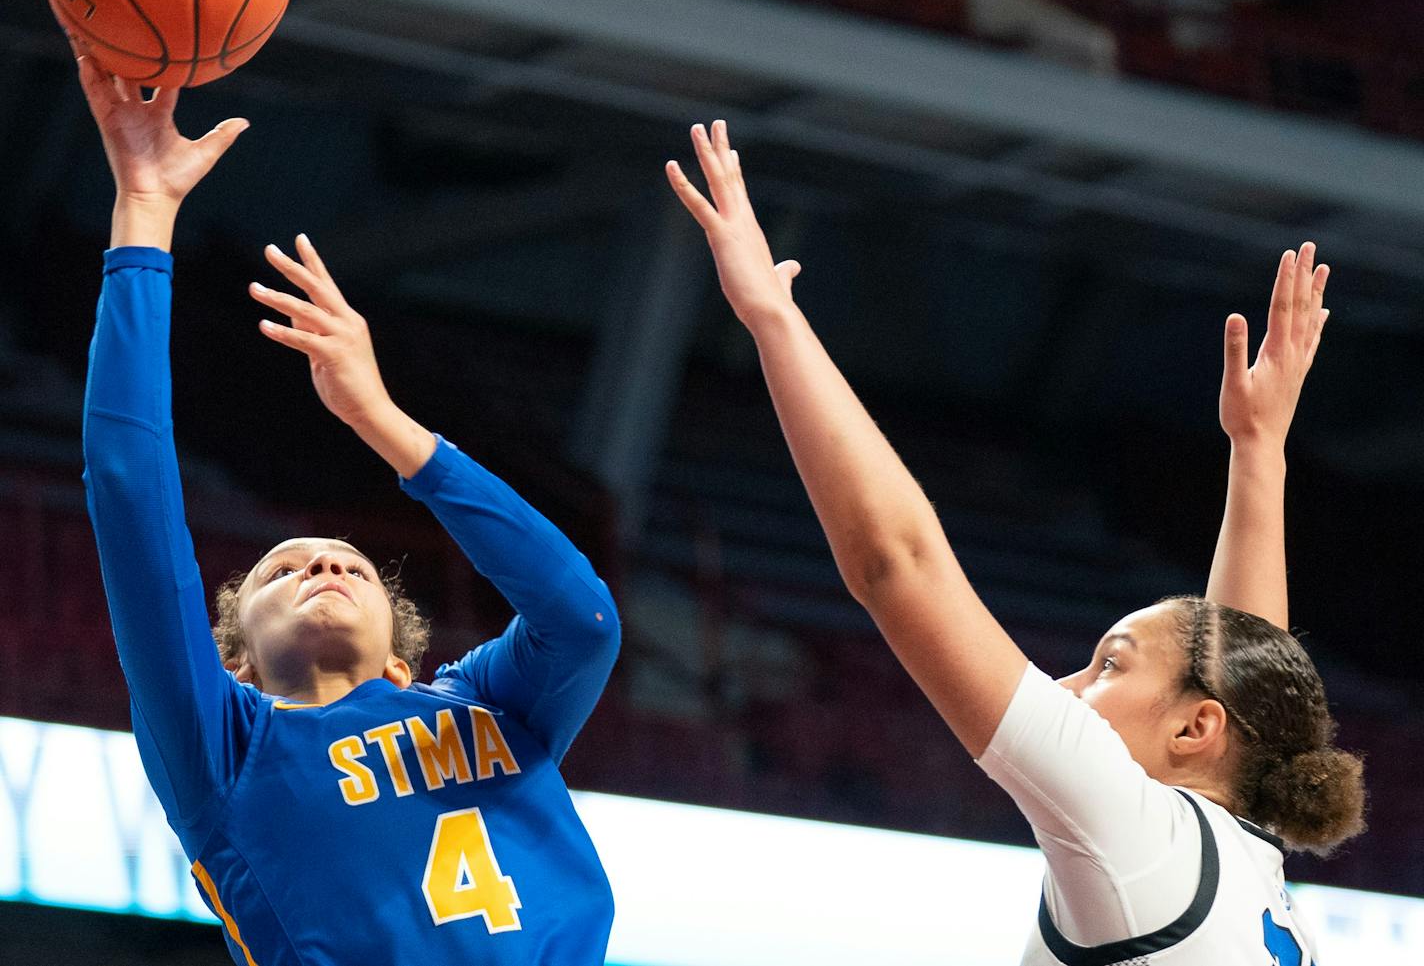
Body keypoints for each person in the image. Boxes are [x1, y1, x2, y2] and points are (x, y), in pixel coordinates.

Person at [667, 120, 1365, 965]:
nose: (1070, 682)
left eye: (1111, 662)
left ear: (1192, 731)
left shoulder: (1140, 840)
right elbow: (1249, 665)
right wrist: (1258, 454)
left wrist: (774, 320)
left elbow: (899, 563)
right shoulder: (1249, 868)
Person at [77, 54, 620, 966]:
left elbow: (583, 617)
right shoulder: (224, 747)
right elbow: (131, 488)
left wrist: (385, 421)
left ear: (409, 667)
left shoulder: (485, 705)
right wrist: (143, 215)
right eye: (282, 569)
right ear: (236, 659)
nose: (324, 564)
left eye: (350, 567)